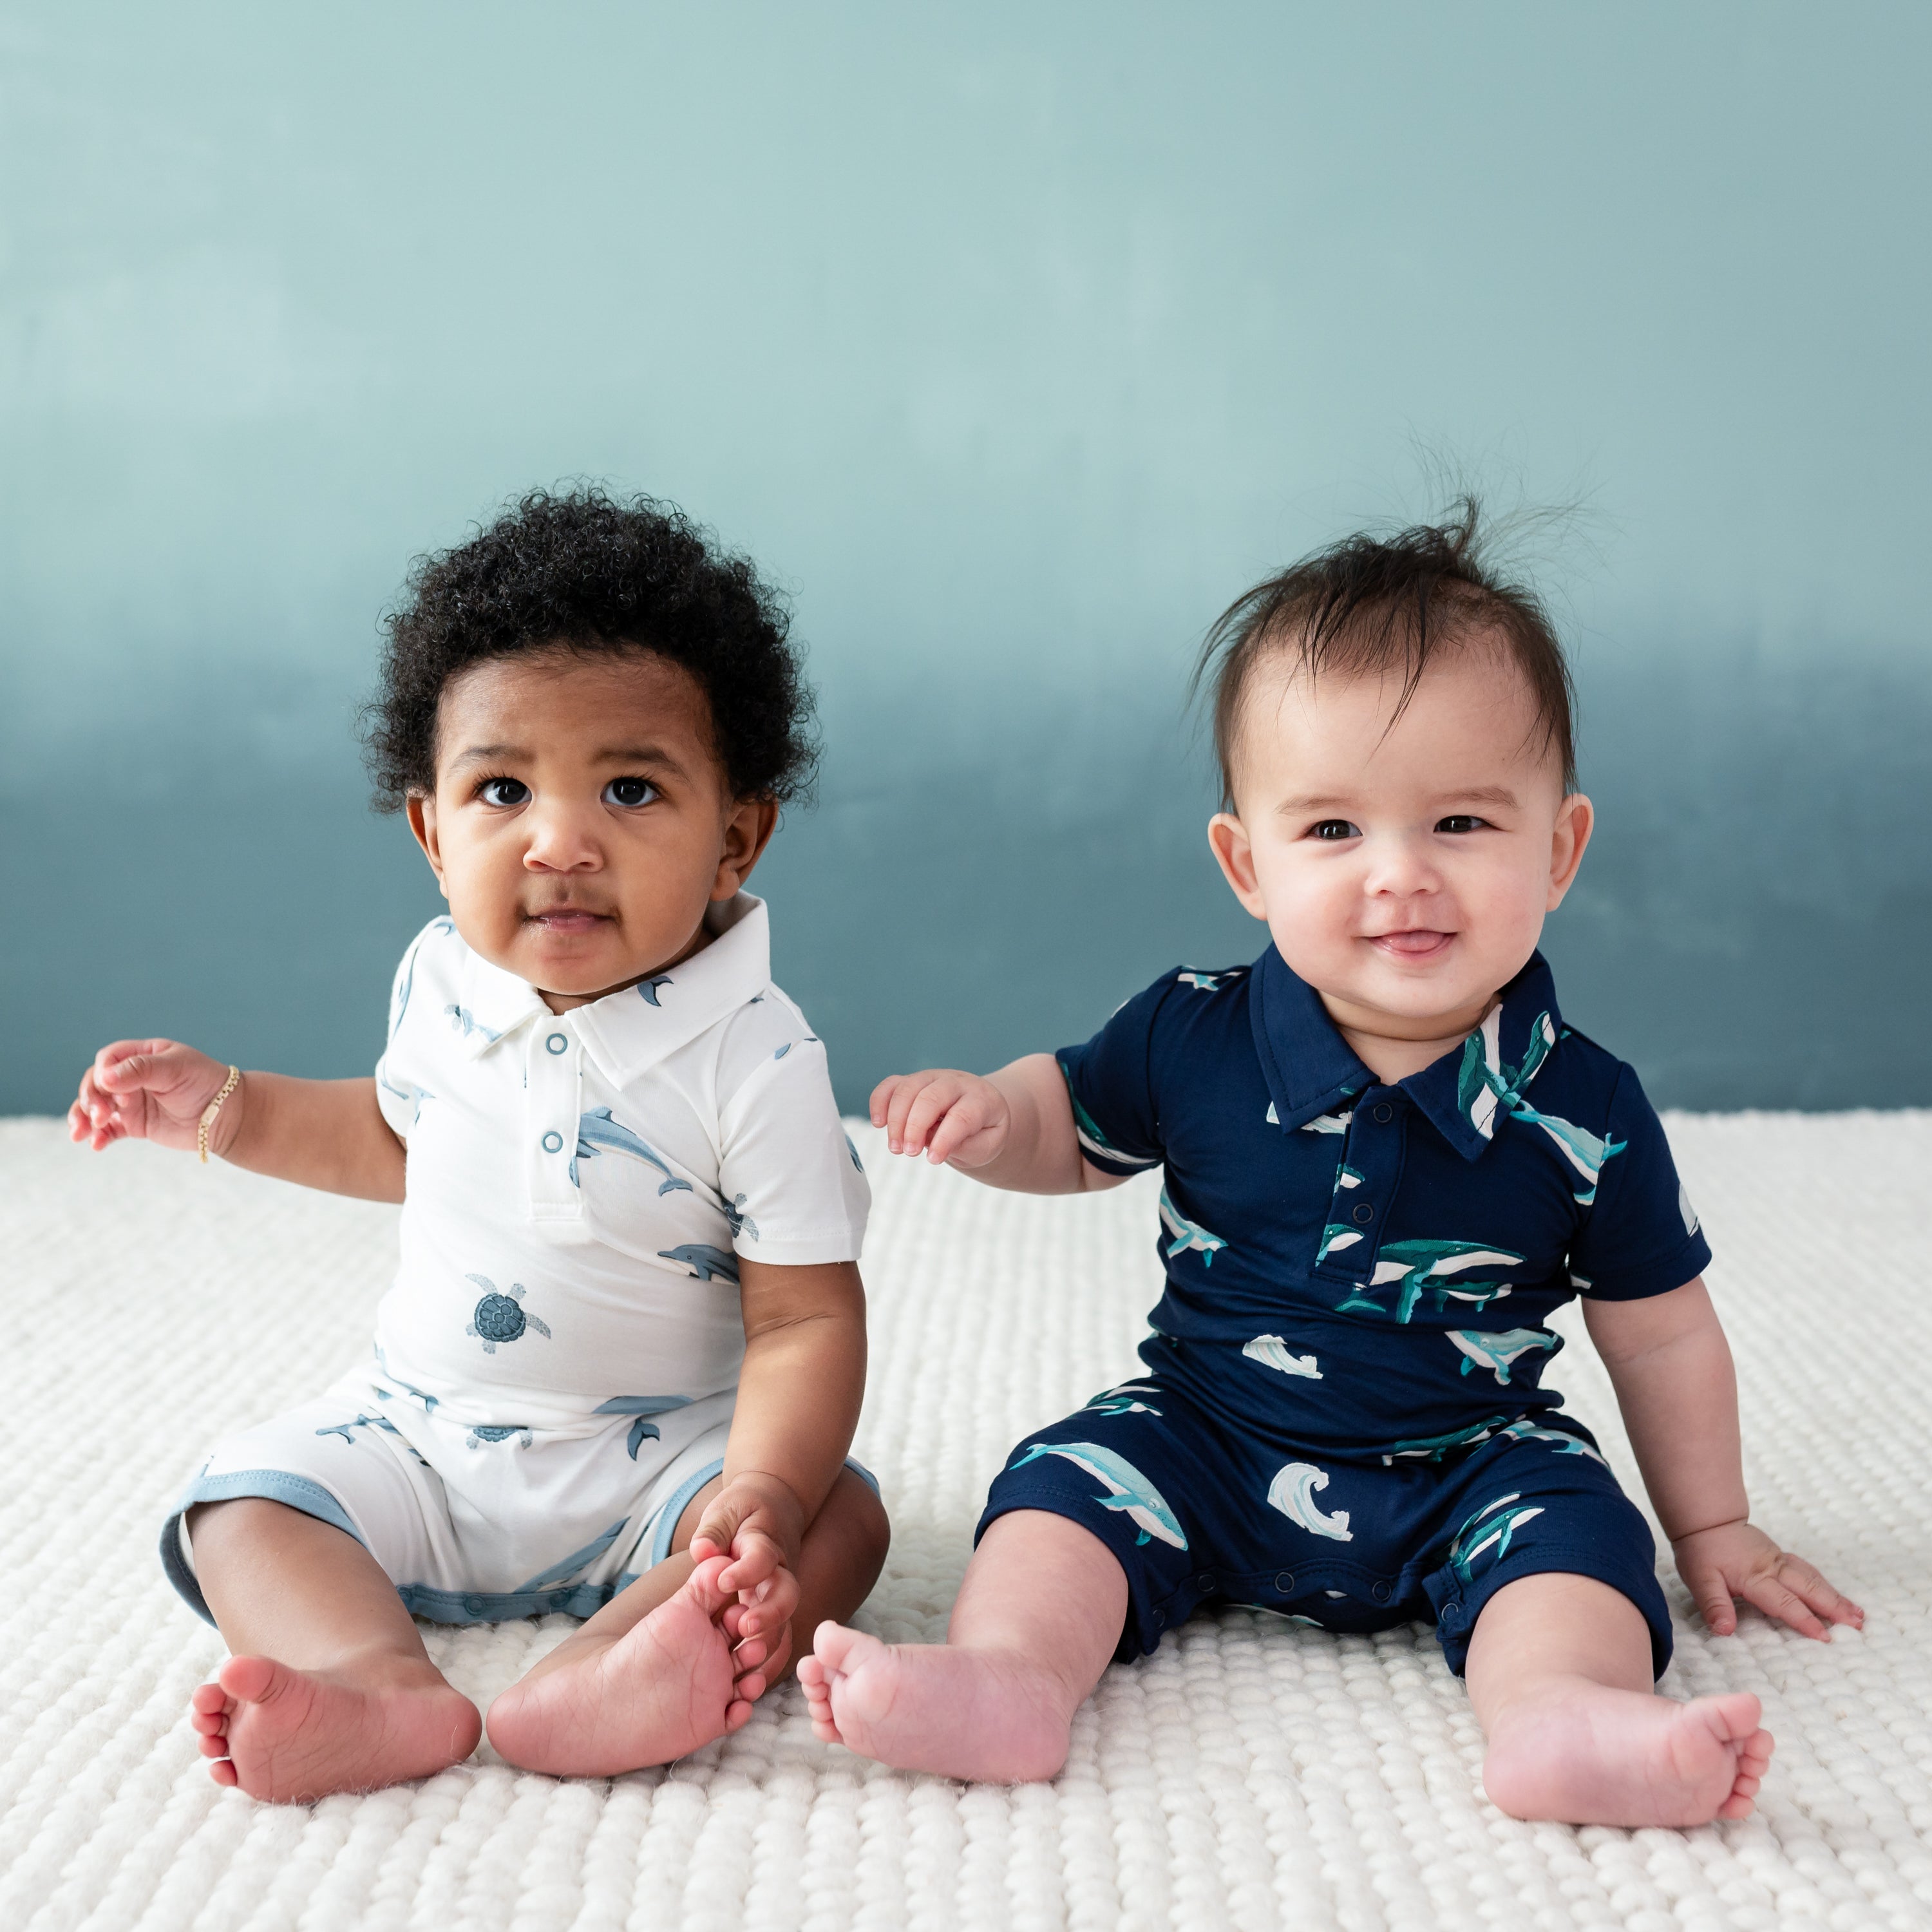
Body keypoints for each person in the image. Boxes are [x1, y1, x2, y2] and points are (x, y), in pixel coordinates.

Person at [799, 506, 1861, 1828]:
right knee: (1062, 1490)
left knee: (1583, 1543)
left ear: (1561, 849)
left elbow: (1659, 1339)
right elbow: (1070, 1121)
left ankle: (1561, 1717)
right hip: (1207, 1436)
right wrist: (988, 1118)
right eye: (1335, 832)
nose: (1400, 877)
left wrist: (1714, 1530)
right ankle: (1010, 1678)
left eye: (1463, 822)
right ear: (1248, 863)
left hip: (1472, 1459)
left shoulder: (1583, 1108)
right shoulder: (1192, 1032)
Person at [71, 490, 886, 1802]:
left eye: (631, 788)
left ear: (737, 835)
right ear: (432, 831)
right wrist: (226, 1107)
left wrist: (764, 1496)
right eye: (502, 789)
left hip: (666, 1467)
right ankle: (373, 1686)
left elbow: (802, 1321)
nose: (560, 842)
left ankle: (618, 1665)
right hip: (424, 1433)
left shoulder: (761, 1055)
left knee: (841, 1516)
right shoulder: (440, 982)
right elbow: (400, 1136)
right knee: (238, 1502)